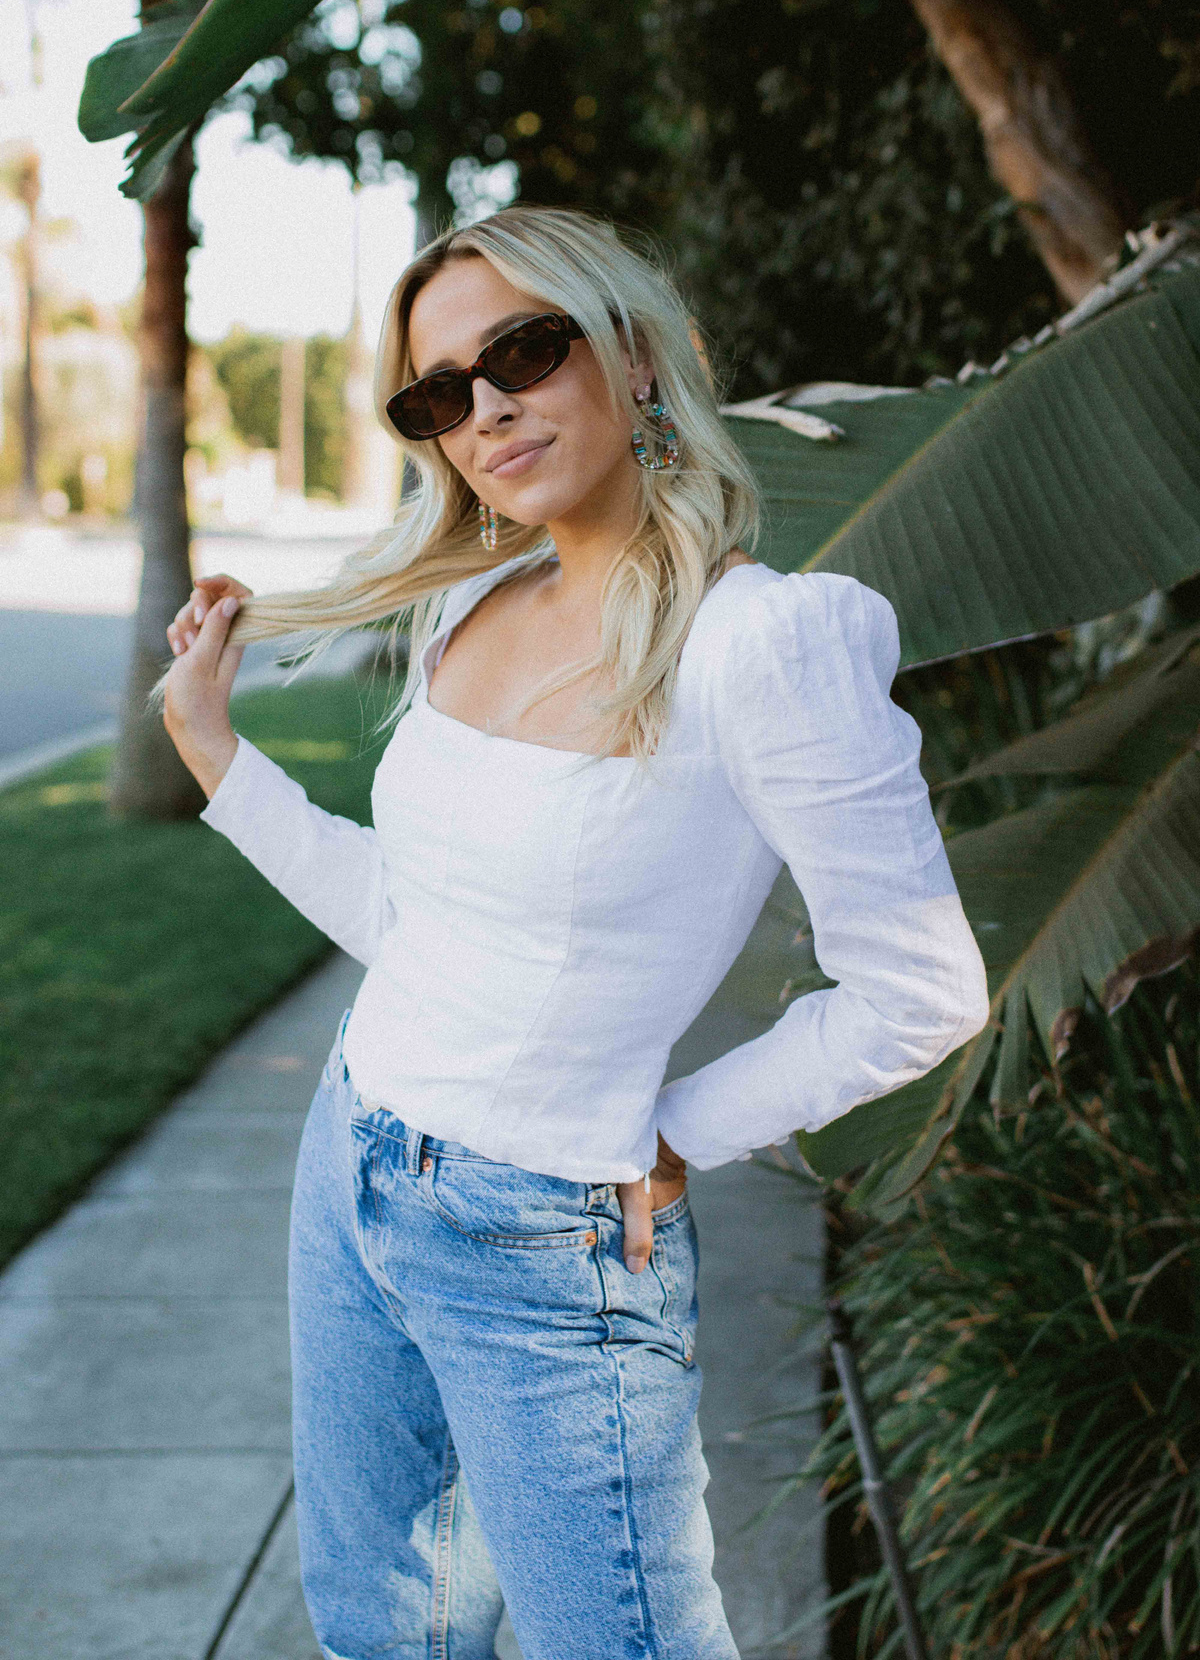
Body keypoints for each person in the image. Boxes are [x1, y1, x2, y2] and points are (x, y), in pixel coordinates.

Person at [160, 205, 989, 1660]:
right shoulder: (476, 598)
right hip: (351, 1157)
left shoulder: (768, 644)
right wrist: (223, 759)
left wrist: (673, 1133)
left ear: (636, 355)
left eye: (522, 353)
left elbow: (922, 988)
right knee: (379, 1625)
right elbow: (408, 924)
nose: (484, 409)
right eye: (438, 395)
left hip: (546, 1238)